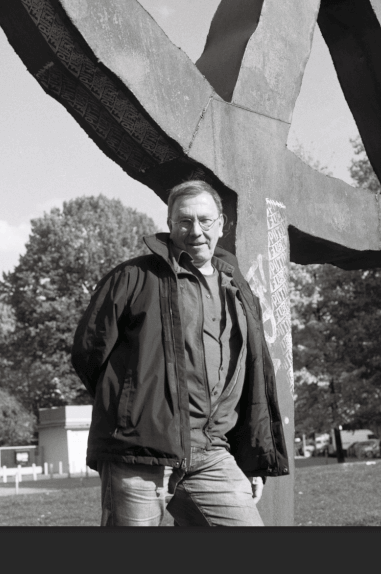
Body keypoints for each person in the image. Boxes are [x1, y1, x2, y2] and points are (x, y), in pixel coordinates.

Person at [71, 179, 290, 526]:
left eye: (205, 220)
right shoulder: (133, 277)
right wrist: (132, 411)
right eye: (184, 221)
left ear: (221, 224)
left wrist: (252, 461)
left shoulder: (237, 288)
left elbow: (248, 378)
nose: (195, 230)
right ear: (170, 224)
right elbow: (88, 354)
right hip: (139, 456)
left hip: (213, 454)